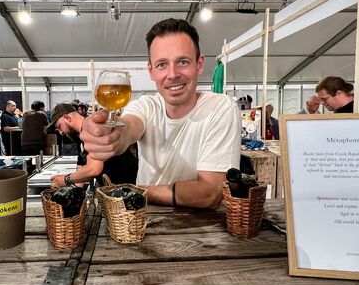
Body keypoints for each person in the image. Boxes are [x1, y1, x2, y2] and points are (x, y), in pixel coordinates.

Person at [80, 18, 241, 209]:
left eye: (182, 62)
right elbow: (128, 127)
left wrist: (137, 191)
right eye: (162, 64)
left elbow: (210, 194)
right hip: (142, 227)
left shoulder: (221, 107)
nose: (172, 74)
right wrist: (111, 136)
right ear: (151, 71)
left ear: (199, 65)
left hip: (203, 229)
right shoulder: (146, 106)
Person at [48, 103, 138, 187]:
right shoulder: (82, 136)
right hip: (115, 189)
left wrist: (66, 179)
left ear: (67, 118)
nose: (60, 132)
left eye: (59, 126)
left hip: (127, 188)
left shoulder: (93, 128)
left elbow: (94, 169)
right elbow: (85, 167)